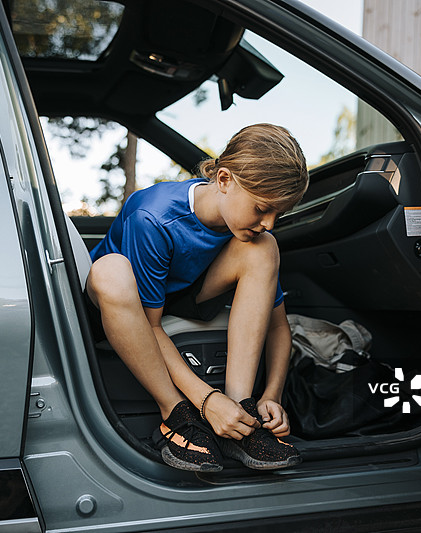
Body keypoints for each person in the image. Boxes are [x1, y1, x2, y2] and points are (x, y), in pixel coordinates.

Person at [86, 123, 309, 472]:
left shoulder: (250, 231)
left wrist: (272, 395)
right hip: (120, 306)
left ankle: (241, 414)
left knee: (264, 248)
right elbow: (150, 325)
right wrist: (207, 401)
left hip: (179, 294)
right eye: (262, 208)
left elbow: (279, 327)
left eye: (278, 214)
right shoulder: (154, 217)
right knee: (110, 270)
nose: (269, 222)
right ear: (223, 180)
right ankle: (174, 413)